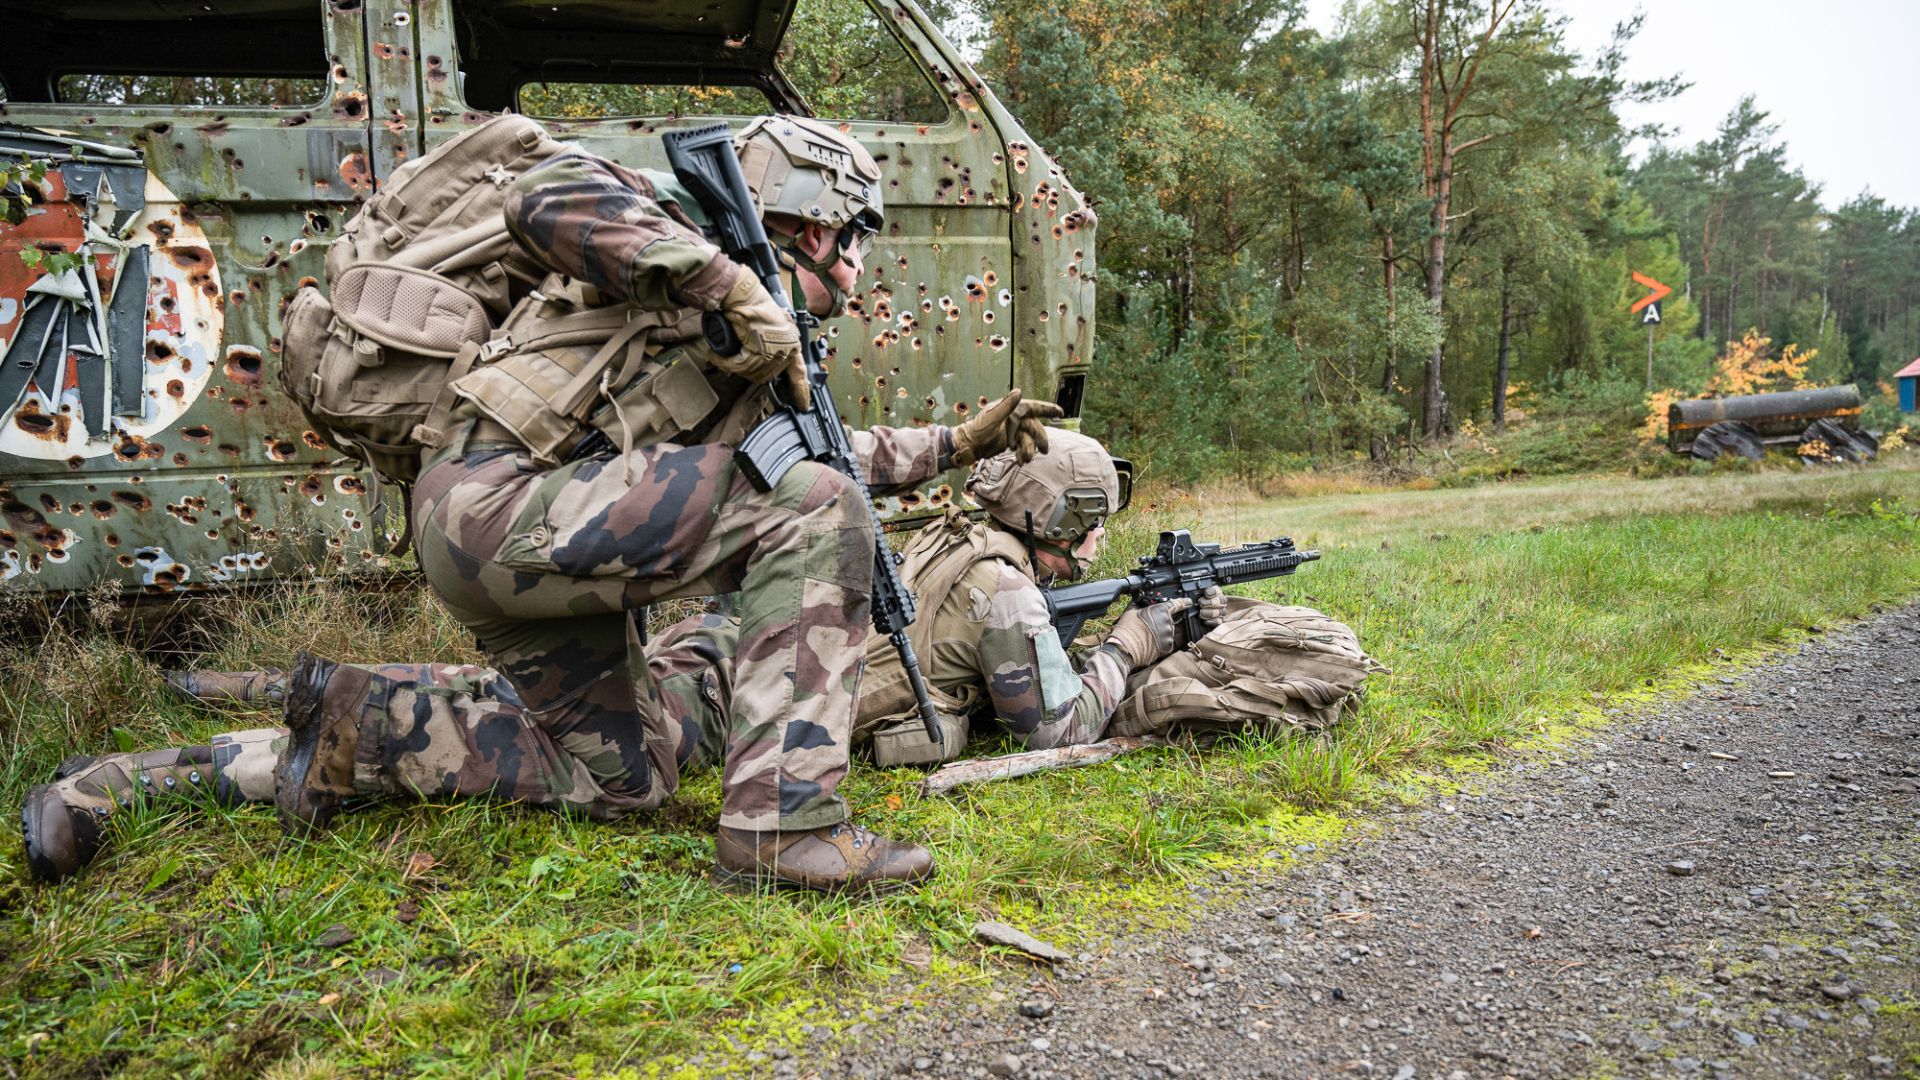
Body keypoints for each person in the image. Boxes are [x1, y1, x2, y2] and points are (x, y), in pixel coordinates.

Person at [20, 114, 1063, 892]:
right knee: (818, 508)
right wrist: (723, 286)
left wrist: (954, 446)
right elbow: (546, 195)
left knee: (627, 776)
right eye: (852, 236)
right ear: (810, 217)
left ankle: (217, 762)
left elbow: (816, 455)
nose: (857, 265)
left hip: (525, 549)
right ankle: (786, 830)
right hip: (498, 508)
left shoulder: (756, 350)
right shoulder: (666, 226)